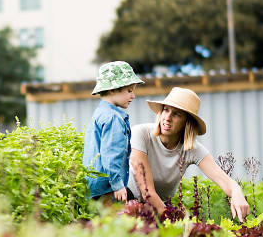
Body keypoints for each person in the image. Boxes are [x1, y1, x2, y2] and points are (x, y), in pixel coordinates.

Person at [127, 87, 250, 221]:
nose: (167, 118)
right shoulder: (141, 134)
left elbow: (223, 180)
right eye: (166, 110)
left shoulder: (192, 149)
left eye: (176, 114)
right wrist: (173, 221)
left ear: (187, 122)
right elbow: (147, 191)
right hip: (127, 201)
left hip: (160, 207)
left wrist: (237, 192)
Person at [83, 61, 144, 203]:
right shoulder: (113, 119)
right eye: (129, 90)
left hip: (94, 185)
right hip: (107, 187)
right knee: (114, 222)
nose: (133, 95)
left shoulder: (100, 113)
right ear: (112, 89)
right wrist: (118, 186)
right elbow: (111, 155)